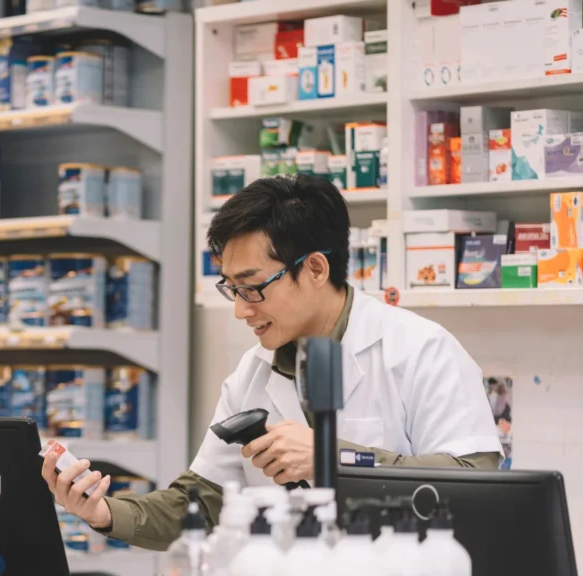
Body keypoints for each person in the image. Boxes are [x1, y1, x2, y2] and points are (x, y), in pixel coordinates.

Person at [42, 175, 502, 550]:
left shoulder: (420, 349)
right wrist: (102, 512)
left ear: (316, 269)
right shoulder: (253, 372)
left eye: (253, 286)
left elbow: (478, 488)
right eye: (231, 288)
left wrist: (334, 459)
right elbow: (200, 502)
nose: (242, 309)